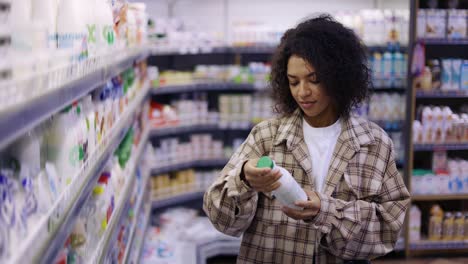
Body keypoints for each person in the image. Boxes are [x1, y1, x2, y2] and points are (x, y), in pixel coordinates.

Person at [203, 14, 410, 264]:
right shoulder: (266, 137)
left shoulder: (374, 144)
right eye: (294, 82)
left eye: (315, 80)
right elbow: (223, 221)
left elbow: (388, 230)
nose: (303, 92)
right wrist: (243, 178)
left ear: (339, 76)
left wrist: (326, 212)